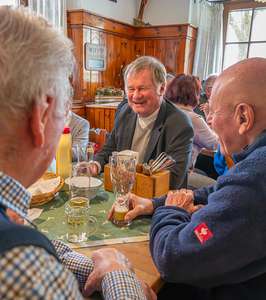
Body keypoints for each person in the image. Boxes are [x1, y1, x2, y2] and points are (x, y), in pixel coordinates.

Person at [0, 4, 154, 300]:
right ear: (40, 115)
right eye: (61, 108)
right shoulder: (24, 269)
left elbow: (35, 244)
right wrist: (118, 273)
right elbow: (29, 261)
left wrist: (95, 265)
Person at [109, 57, 266, 299]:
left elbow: (172, 257)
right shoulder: (253, 166)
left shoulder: (254, 181)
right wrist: (153, 203)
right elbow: (221, 192)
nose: (209, 120)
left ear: (244, 117)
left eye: (213, 111)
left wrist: (169, 210)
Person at [91, 56, 194, 190]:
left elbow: (172, 179)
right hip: (123, 190)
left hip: (158, 201)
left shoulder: (180, 125)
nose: (136, 96)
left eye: (143, 88)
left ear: (161, 88)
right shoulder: (124, 110)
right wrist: (95, 163)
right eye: (131, 89)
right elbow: (111, 148)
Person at [165, 74, 219, 189]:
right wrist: (208, 114)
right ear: (193, 95)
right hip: (179, 177)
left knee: (203, 173)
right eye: (198, 94)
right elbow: (215, 145)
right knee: (217, 187)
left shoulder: (166, 111)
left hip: (163, 172)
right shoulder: (192, 118)